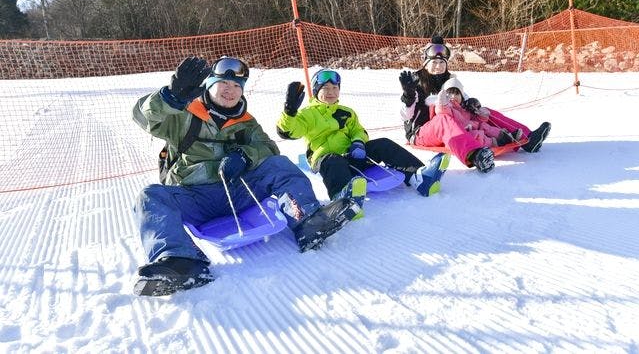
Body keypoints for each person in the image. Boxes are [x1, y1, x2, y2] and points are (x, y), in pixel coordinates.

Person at [131, 56, 361, 296]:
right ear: (210, 84)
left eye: (237, 86)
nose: (231, 91)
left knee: (278, 165)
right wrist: (170, 97)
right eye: (225, 84)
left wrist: (244, 155)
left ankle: (307, 221)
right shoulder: (183, 115)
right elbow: (142, 117)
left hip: (238, 191)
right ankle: (179, 261)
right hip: (194, 196)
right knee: (150, 196)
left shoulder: (246, 122)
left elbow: (269, 147)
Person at [276, 68, 450, 208]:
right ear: (316, 92)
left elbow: (358, 130)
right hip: (329, 160)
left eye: (335, 88)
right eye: (325, 88)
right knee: (333, 160)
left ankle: (418, 176)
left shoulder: (346, 112)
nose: (331, 92)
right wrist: (289, 112)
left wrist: (358, 142)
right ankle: (343, 202)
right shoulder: (307, 114)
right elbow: (290, 131)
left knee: (383, 144)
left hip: (353, 154)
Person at [399, 35, 551, 172]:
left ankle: (528, 139)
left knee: (483, 111)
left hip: (451, 122)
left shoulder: (450, 80)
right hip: (421, 132)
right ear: (426, 63)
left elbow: (463, 101)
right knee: (442, 119)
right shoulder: (414, 82)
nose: (438, 66)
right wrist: (408, 95)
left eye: (441, 62)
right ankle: (475, 155)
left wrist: (472, 105)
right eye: (434, 62)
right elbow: (406, 116)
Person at [436, 77, 523, 148]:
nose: (453, 96)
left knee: (484, 126)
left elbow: (475, 119)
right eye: (450, 94)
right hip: (460, 132)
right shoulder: (448, 107)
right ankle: (494, 143)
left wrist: (480, 114)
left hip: (471, 126)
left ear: (462, 96)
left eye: (457, 94)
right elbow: (442, 111)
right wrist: (442, 103)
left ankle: (504, 135)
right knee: (477, 135)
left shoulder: (464, 108)